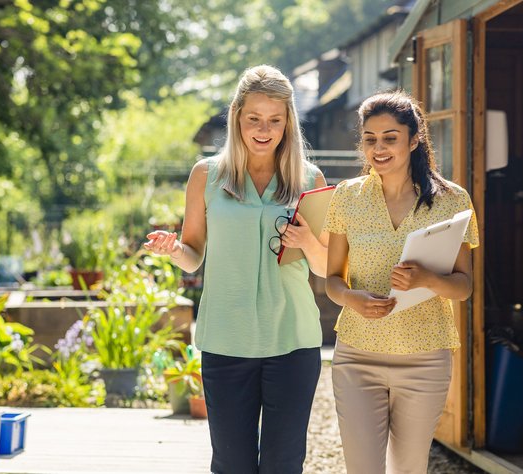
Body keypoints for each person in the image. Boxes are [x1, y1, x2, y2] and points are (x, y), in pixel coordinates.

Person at [144, 64, 328, 474]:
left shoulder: (310, 178)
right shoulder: (207, 175)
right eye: (254, 119)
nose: (264, 130)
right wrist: (175, 250)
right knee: (232, 464)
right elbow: (194, 252)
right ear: (237, 117)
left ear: (288, 122)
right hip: (227, 340)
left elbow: (325, 264)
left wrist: (308, 242)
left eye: (274, 120)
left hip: (292, 340)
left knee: (284, 464)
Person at [323, 90, 479, 474]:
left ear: (414, 139)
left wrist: (427, 279)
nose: (379, 148)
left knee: (409, 469)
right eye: (370, 139)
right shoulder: (347, 197)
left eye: (390, 138)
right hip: (357, 355)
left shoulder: (452, 200)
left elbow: (464, 286)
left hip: (425, 359)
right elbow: (331, 280)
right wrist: (352, 298)